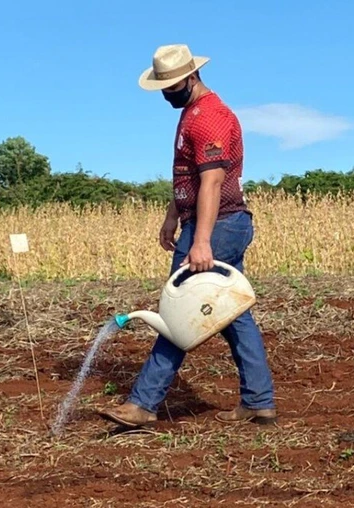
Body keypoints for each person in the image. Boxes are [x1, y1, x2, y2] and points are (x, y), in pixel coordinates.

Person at [98, 44, 277, 427]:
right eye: (161, 87)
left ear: (191, 77)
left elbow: (211, 181)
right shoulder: (192, 112)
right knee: (235, 316)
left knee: (178, 310)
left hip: (219, 225)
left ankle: (143, 403)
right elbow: (188, 178)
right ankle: (259, 401)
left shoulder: (209, 116)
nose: (166, 94)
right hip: (208, 222)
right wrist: (173, 216)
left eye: (170, 86)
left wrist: (201, 241)